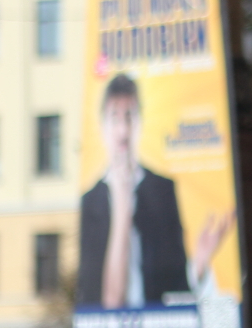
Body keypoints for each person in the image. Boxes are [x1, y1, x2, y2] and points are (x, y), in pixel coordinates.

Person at [77, 72, 232, 310]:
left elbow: (176, 288)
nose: (123, 130)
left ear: (140, 121)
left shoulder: (163, 190)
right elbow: (105, 303)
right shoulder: (90, 201)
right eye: (114, 118)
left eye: (130, 116)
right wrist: (122, 207)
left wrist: (199, 263)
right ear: (102, 126)